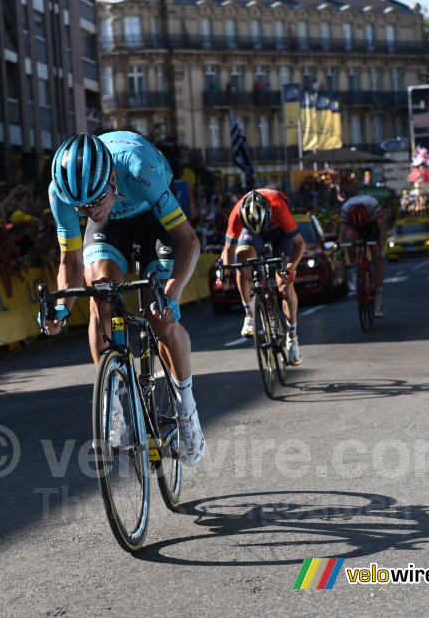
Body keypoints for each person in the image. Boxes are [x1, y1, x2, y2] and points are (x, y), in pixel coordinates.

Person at [43, 131, 205, 467]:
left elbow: (189, 241)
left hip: (150, 215)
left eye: (95, 200)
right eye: (82, 206)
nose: (91, 210)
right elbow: (69, 262)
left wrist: (172, 293)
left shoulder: (138, 170)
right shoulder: (63, 191)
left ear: (112, 179)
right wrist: (60, 308)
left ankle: (187, 410)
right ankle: (113, 397)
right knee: (99, 291)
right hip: (111, 229)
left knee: (159, 314)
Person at [220, 189, 306, 363]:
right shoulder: (237, 213)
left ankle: (292, 338)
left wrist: (291, 267)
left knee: (285, 285)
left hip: (279, 235)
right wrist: (224, 275)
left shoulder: (279, 207)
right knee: (241, 260)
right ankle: (249, 314)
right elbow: (228, 249)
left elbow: (299, 244)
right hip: (252, 235)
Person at [338, 179, 388, 318]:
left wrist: (380, 247)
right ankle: (355, 270)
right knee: (350, 241)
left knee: (376, 257)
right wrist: (343, 249)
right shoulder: (346, 208)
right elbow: (342, 234)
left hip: (371, 226)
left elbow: (382, 228)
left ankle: (378, 297)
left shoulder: (373, 204)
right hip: (354, 227)